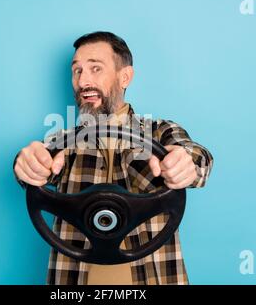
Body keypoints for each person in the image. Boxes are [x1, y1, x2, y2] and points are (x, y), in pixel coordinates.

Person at [13, 31, 213, 285]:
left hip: (154, 276)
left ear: (125, 77)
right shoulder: (62, 142)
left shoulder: (160, 131)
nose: (83, 81)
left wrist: (186, 164)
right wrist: (25, 163)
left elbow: (198, 156)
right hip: (75, 279)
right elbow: (35, 165)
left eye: (95, 69)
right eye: (77, 71)